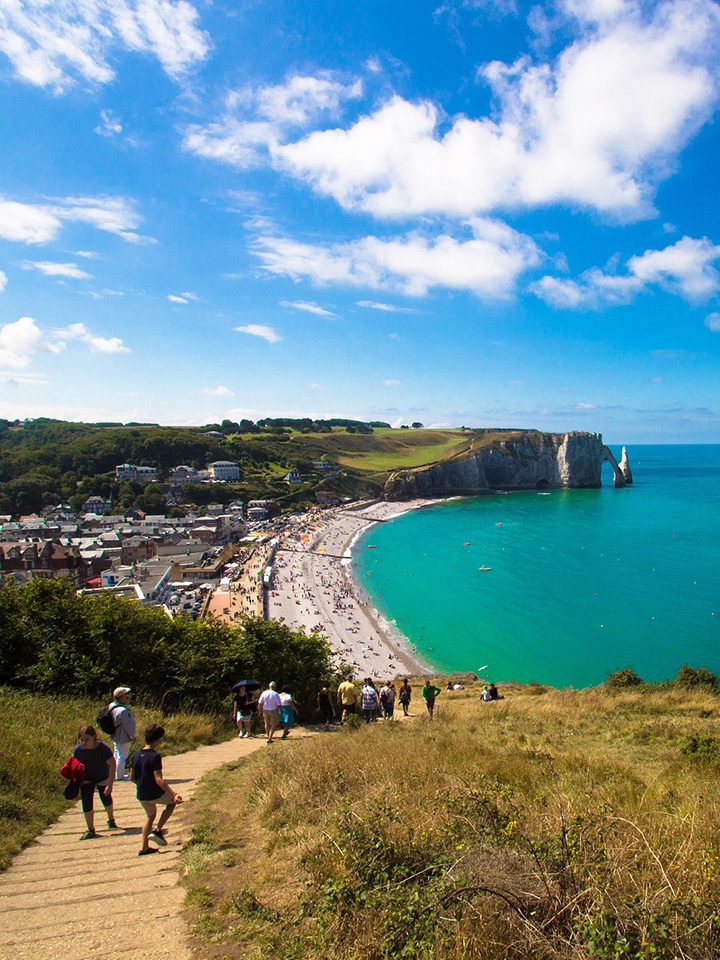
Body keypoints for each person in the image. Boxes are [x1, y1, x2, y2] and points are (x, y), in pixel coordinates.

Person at [130, 723, 183, 856]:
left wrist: (141, 783)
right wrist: (174, 794)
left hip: (141, 794)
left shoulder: (136, 755)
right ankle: (158, 830)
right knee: (171, 803)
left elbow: (131, 776)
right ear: (158, 739)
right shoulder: (154, 756)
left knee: (150, 816)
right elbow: (159, 780)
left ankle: (144, 848)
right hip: (154, 792)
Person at [72, 725, 117, 840]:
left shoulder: (103, 749)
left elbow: (112, 764)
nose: (84, 742)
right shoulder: (78, 750)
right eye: (81, 740)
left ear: (94, 737)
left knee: (106, 798)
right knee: (86, 801)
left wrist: (110, 784)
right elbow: (73, 764)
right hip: (87, 777)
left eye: (87, 739)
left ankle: (111, 819)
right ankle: (90, 829)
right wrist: (78, 767)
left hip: (102, 776)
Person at [109, 686, 136, 780]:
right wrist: (132, 736)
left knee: (116, 754)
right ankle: (119, 776)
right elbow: (127, 725)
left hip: (115, 734)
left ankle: (115, 773)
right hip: (123, 735)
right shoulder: (123, 710)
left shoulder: (111, 706)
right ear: (121, 697)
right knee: (122, 756)